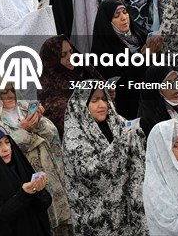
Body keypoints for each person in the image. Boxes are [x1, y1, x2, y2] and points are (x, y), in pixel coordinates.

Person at [0, 72, 73, 234]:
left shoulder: (24, 108)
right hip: (23, 181)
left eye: (12, 90)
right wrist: (24, 130)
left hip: (48, 173)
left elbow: (52, 133)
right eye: (4, 92)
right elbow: (3, 152)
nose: (11, 95)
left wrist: (38, 121)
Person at [62, 87, 147, 233]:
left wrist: (135, 135)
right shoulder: (74, 136)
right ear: (82, 105)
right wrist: (120, 144)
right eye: (94, 101)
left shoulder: (118, 122)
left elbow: (136, 141)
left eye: (104, 99)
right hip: (96, 218)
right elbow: (91, 173)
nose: (101, 105)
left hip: (127, 212)